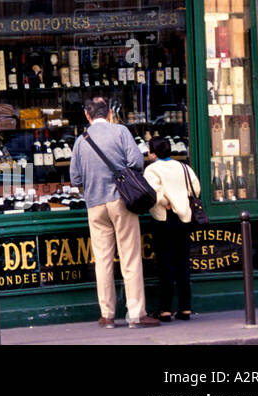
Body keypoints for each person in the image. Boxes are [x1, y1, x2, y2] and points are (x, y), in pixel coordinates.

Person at [69, 97, 161, 329]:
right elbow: (137, 162)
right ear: (109, 113)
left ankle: (107, 315)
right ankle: (136, 314)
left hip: (95, 205)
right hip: (120, 201)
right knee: (129, 257)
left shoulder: (81, 141)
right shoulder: (120, 132)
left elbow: (75, 178)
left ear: (87, 116)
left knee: (102, 261)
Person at [143, 136, 199, 322]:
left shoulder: (152, 169)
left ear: (153, 153)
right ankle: (185, 308)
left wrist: (167, 202)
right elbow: (195, 189)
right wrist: (181, 200)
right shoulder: (184, 167)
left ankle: (165, 309)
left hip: (163, 219)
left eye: (149, 151)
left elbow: (153, 193)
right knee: (183, 263)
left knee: (165, 265)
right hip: (184, 218)